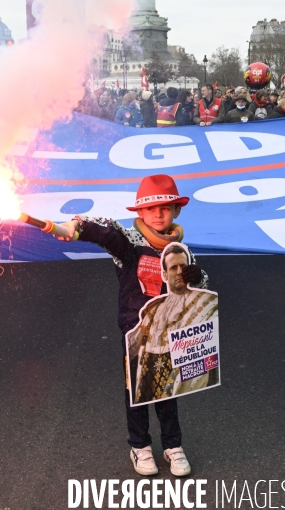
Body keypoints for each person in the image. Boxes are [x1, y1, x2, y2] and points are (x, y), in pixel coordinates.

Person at [55, 174, 209, 477]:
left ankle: (173, 446)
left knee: (167, 390)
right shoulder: (128, 244)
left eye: (165, 208)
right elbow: (106, 231)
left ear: (176, 211)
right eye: (151, 208)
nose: (158, 213)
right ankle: (139, 447)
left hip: (171, 333)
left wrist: (197, 278)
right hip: (136, 332)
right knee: (137, 391)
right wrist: (77, 227)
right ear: (140, 212)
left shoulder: (183, 249)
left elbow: (202, 290)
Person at [127, 243, 218, 405]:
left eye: (182, 266)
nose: (178, 272)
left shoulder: (207, 303)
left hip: (177, 377)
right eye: (173, 267)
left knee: (168, 416)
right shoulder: (152, 308)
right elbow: (134, 343)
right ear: (165, 274)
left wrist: (199, 278)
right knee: (137, 413)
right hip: (147, 373)